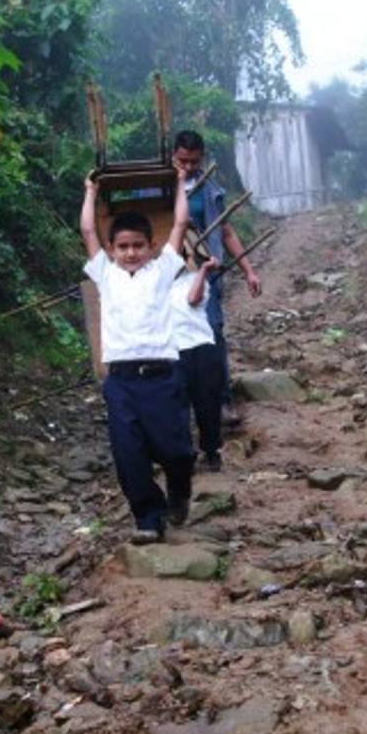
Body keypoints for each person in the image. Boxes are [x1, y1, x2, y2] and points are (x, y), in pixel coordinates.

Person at [80, 166, 193, 544]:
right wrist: (90, 193)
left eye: (138, 246)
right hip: (122, 381)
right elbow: (88, 231)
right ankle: (148, 517)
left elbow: (179, 224)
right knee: (129, 454)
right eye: (123, 246)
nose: (130, 253)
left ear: (150, 247)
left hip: (162, 377)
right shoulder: (106, 275)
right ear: (112, 250)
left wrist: (179, 184)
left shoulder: (162, 271)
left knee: (176, 451)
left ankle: (180, 489)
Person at [172, 130, 262, 425]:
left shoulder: (208, 189)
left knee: (211, 332)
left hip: (205, 271)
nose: (187, 167)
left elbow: (225, 231)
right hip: (168, 275)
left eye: (194, 161)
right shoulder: (154, 186)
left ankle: (221, 401)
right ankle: (178, 406)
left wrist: (248, 270)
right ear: (173, 154)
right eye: (182, 160)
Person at [172, 257, 225, 472]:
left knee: (207, 404)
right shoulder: (155, 283)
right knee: (177, 407)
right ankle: (186, 455)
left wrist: (203, 269)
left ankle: (211, 451)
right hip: (172, 351)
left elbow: (193, 299)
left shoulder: (196, 279)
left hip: (201, 347)